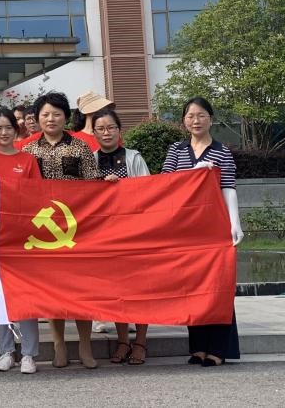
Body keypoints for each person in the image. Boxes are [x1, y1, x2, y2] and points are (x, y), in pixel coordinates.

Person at [161, 96, 243, 367]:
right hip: (185, 229)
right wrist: (194, 174)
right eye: (190, 116)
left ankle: (218, 349)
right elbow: (165, 185)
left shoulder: (221, 151)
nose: (195, 121)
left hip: (213, 227)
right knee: (193, 286)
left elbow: (228, 187)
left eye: (201, 115)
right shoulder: (176, 150)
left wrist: (235, 223)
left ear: (211, 119)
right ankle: (198, 348)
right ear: (183, 121)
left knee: (217, 287)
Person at [21, 92, 100, 369]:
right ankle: (59, 344)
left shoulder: (80, 147)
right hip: (44, 230)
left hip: (76, 227)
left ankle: (85, 345)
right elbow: (20, 189)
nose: (50, 119)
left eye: (56, 114)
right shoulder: (28, 150)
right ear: (37, 118)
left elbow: (94, 186)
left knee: (81, 288)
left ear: (66, 117)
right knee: (52, 289)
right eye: (45, 114)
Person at [88, 107, 151, 365]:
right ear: (94, 133)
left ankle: (141, 342)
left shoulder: (133, 157)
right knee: (117, 289)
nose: (106, 133)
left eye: (111, 128)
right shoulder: (90, 160)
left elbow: (148, 191)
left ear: (119, 130)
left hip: (134, 232)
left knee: (140, 289)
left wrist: (122, 187)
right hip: (106, 235)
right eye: (101, 129)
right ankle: (123, 341)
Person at [0, 108, 41, 374]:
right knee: (0, 294)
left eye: (8, 128)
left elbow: (37, 196)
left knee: (27, 295)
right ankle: (6, 350)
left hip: (23, 238)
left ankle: (29, 353)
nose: (3, 133)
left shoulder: (27, 160)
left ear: (16, 130)